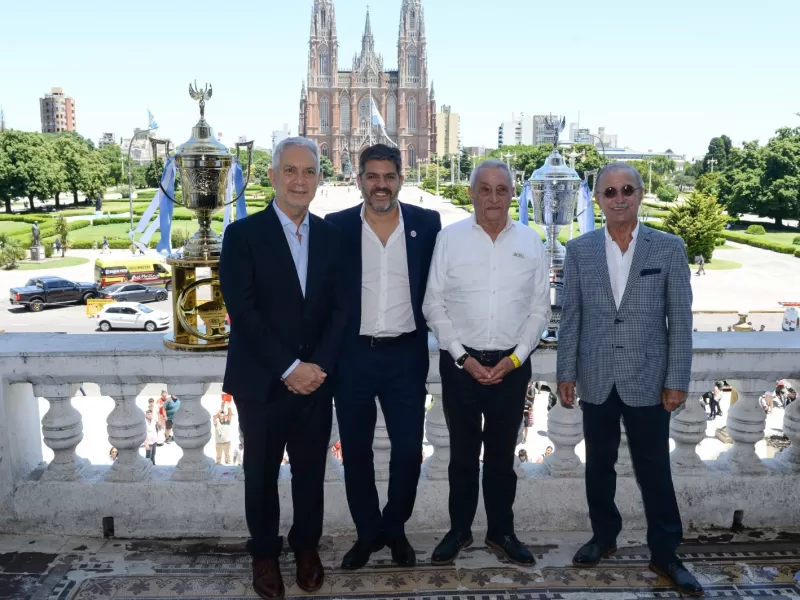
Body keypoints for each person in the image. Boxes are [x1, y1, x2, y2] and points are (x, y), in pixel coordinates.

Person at [556, 162, 703, 597]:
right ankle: (604, 536)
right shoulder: (579, 250)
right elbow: (571, 320)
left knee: (653, 469)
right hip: (596, 377)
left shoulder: (668, 247)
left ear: (639, 195)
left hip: (648, 378)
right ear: (598, 200)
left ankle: (666, 552)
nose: (619, 198)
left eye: (627, 190)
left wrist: (677, 378)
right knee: (599, 466)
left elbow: (681, 320)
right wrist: (566, 372)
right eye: (610, 192)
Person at [220, 137, 346, 600]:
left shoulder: (332, 236)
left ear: (318, 179)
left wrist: (317, 367)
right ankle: (265, 556)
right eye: (289, 171)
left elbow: (341, 310)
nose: (299, 180)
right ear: (272, 177)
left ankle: (306, 548)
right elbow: (244, 311)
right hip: (264, 382)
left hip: (317, 380)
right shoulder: (242, 235)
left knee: (312, 474)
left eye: (308, 171)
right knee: (260, 474)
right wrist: (289, 367)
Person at [423, 159, 550, 567]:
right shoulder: (450, 239)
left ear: (512, 194)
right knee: (461, 457)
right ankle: (459, 531)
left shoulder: (532, 243)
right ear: (471, 192)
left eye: (501, 189)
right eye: (485, 189)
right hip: (460, 367)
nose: (493, 198)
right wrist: (462, 357)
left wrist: (515, 359)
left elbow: (538, 311)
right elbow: (433, 304)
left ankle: (501, 532)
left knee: (501, 458)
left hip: (512, 368)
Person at [324, 144, 441, 570]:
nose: (380, 185)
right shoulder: (335, 227)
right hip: (353, 356)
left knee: (409, 451)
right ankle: (367, 533)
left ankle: (395, 527)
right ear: (359, 180)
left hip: (406, 356)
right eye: (372, 176)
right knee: (355, 452)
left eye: (388, 176)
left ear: (400, 179)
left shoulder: (427, 224)